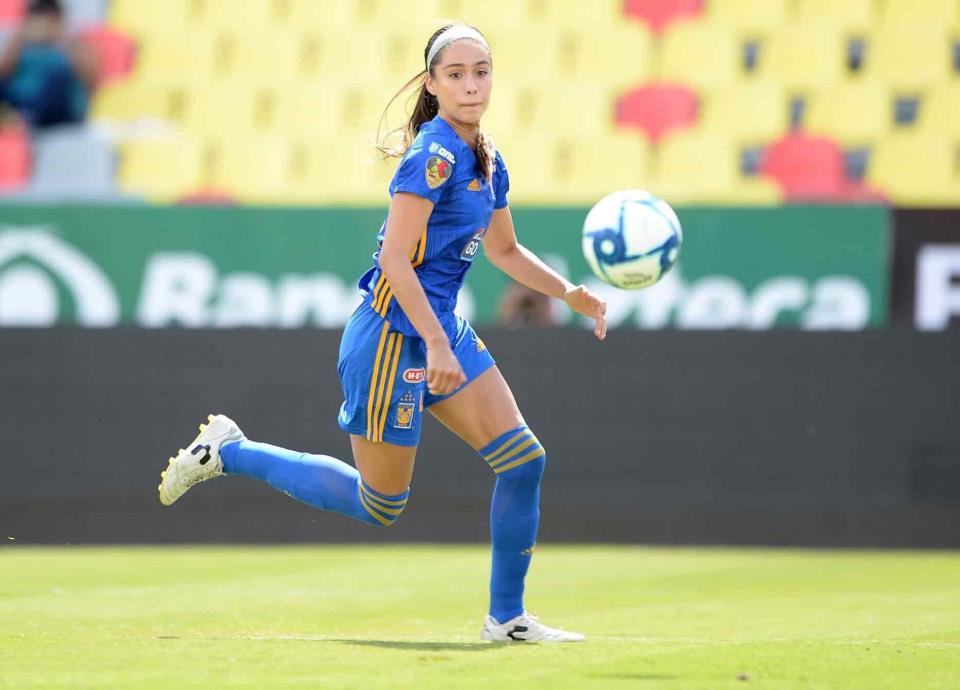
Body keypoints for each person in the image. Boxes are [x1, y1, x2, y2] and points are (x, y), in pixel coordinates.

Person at [157, 23, 607, 643]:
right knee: (381, 504)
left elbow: (504, 248)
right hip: (392, 337)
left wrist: (568, 292)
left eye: (481, 72)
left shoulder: (487, 156)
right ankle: (229, 452)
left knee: (525, 461)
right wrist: (437, 343)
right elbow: (395, 259)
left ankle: (507, 620)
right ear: (433, 84)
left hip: (439, 329)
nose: (471, 85)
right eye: (456, 74)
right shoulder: (433, 156)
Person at [0, 0, 97, 129]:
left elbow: (91, 80)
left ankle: (29, 119)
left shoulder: (73, 43)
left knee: (57, 77)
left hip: (59, 109)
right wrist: (19, 40)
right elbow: (3, 74)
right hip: (23, 101)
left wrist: (63, 40)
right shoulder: (21, 43)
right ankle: (20, 117)